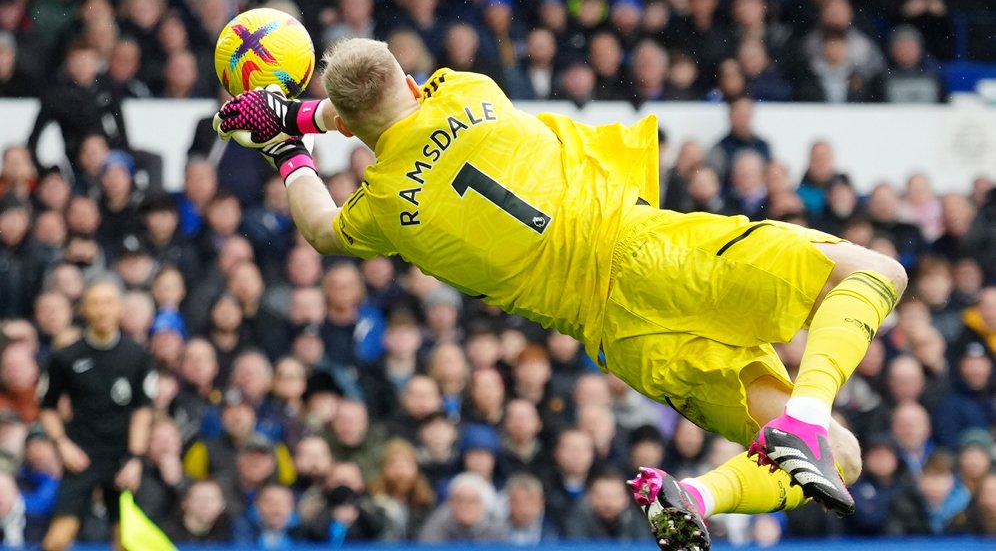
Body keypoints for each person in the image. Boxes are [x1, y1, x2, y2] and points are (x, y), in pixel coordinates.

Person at [214, 37, 908, 549]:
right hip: (652, 255)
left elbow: (320, 227)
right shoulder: (471, 90)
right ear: (405, 67)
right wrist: (299, 113)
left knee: (839, 461)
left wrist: (283, 145)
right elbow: (372, 108)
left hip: (618, 335)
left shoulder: (384, 210)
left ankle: (696, 495)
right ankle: (806, 415)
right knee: (875, 272)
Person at [38, 278, 155, 551]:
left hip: (121, 457)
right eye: (95, 303)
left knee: (126, 542)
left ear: (120, 308)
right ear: (84, 309)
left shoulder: (137, 356)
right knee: (56, 541)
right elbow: (47, 407)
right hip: (81, 455)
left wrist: (136, 459)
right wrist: (62, 445)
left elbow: (142, 410)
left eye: (108, 303)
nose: (102, 310)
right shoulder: (65, 357)